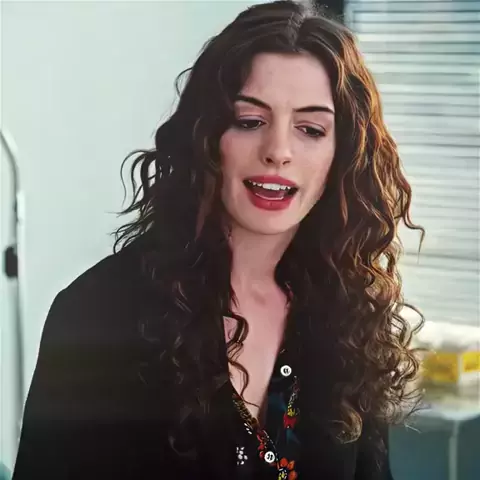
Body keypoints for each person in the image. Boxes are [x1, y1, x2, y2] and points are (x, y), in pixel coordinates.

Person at [12, 1, 424, 479]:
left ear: (342, 155)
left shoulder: (349, 313)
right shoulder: (97, 313)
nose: (278, 151)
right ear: (206, 135)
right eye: (250, 121)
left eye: (310, 129)